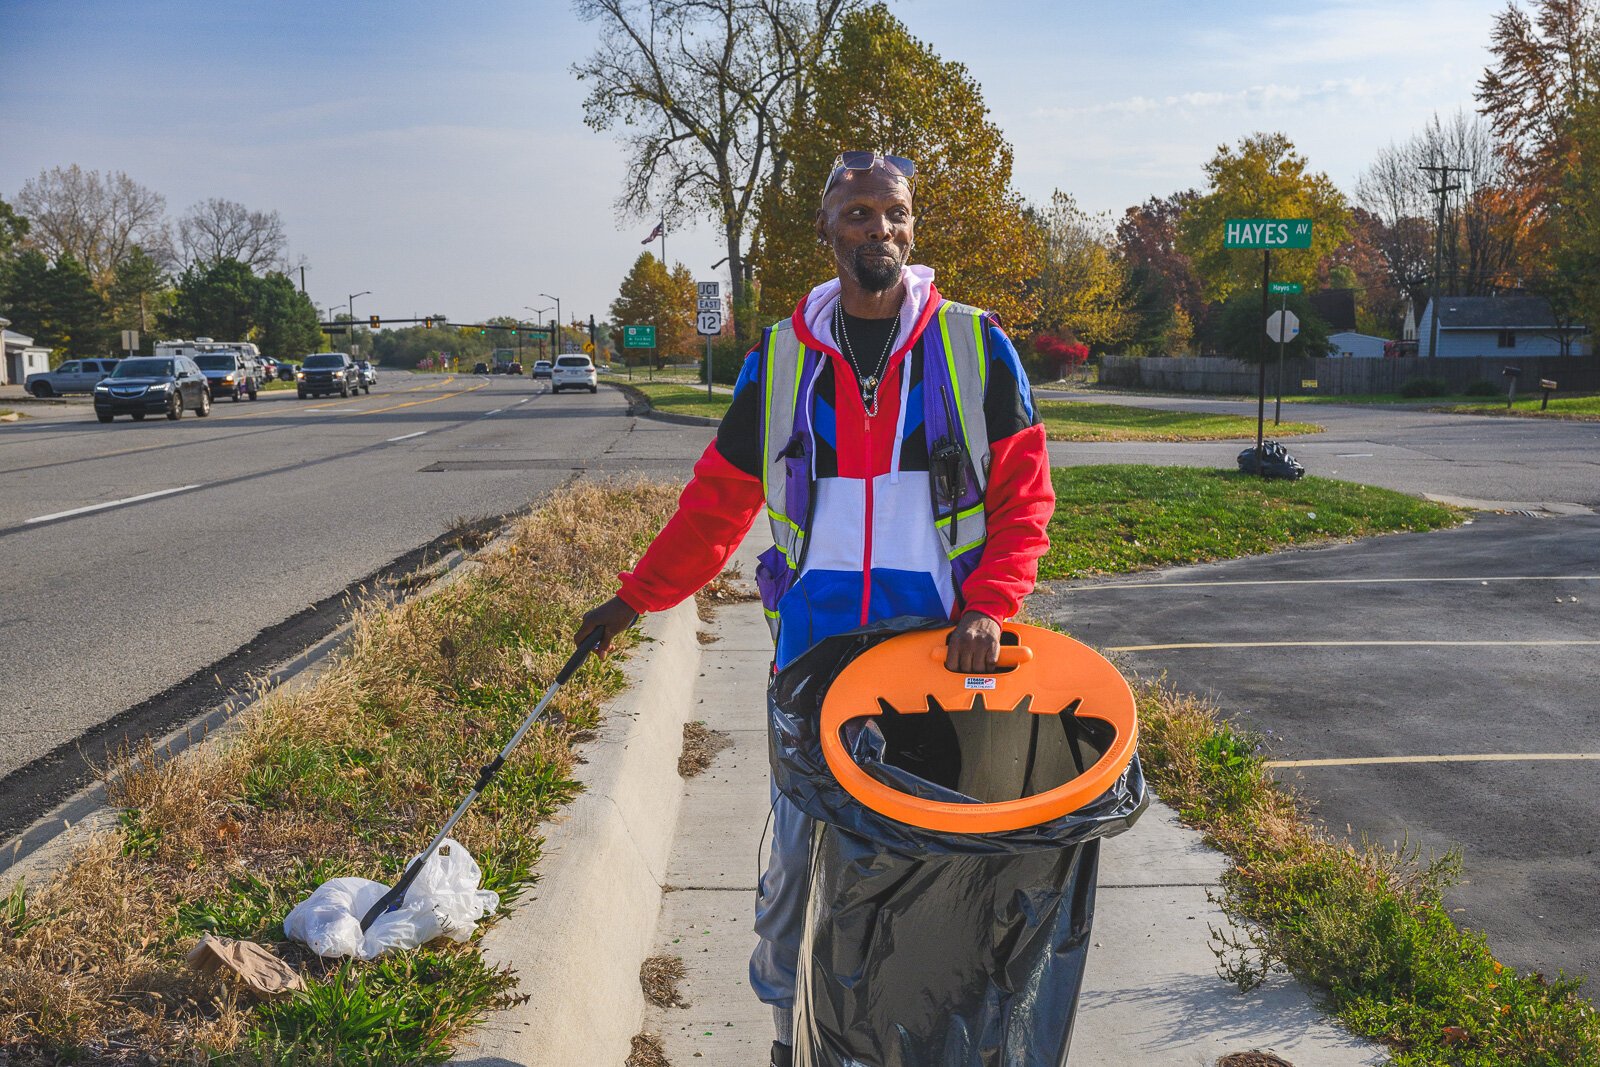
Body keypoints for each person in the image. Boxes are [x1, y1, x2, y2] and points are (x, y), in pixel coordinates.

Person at [576, 151, 1054, 1067]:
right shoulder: (782, 356)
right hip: (815, 654)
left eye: (897, 213)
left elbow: (1023, 499)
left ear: (913, 227)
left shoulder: (972, 342)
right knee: (797, 862)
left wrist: (989, 606)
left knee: (937, 865)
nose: (882, 229)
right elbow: (717, 503)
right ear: (829, 230)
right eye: (861, 213)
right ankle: (783, 1037)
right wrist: (635, 599)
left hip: (937, 659)